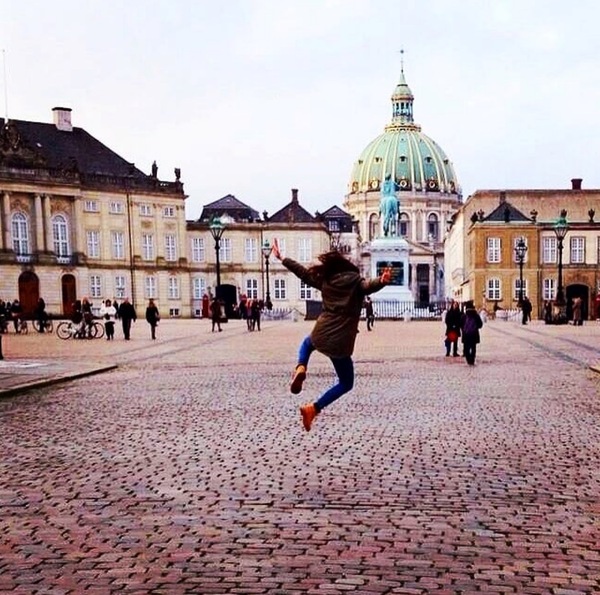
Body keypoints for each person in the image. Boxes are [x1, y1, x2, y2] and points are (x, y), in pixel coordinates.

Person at [272, 240, 391, 432]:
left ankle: (301, 367)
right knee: (346, 383)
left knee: (307, 344)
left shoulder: (326, 280)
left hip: (322, 331)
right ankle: (314, 408)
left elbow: (302, 272)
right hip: (342, 341)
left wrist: (282, 258)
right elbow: (369, 286)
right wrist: (382, 281)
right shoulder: (356, 281)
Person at [461, 300, 483, 366]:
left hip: (466, 335)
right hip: (474, 334)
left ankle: (468, 360)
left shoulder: (464, 316)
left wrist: (464, 330)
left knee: (466, 348)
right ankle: (472, 360)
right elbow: (480, 325)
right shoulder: (476, 315)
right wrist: (475, 327)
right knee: (473, 348)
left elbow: (461, 324)